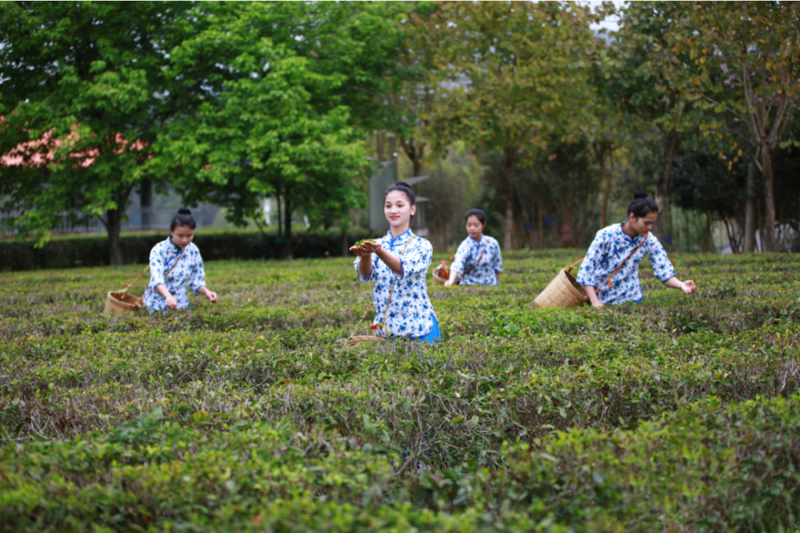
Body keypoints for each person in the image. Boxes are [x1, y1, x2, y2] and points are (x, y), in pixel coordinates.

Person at [350, 181, 440, 343]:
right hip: (385, 331)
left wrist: (379, 251)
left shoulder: (422, 245)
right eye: (388, 206)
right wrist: (365, 254)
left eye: (400, 205)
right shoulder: (376, 243)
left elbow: (402, 268)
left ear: (412, 209)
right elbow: (365, 274)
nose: (393, 210)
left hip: (419, 329)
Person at [576, 191, 696, 307]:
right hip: (603, 300)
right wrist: (595, 302)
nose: (650, 227)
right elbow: (587, 271)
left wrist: (681, 284)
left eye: (652, 224)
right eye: (646, 223)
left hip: (632, 301)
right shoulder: (606, 235)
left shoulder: (649, 240)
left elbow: (664, 271)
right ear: (632, 217)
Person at [143, 208, 218, 312]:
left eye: (189, 235)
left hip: (181, 306)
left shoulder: (193, 250)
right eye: (180, 235)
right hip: (156, 306)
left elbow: (196, 281)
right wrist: (168, 297)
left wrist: (207, 292)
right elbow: (157, 279)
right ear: (171, 232)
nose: (184, 240)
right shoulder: (159, 250)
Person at [445, 208, 503, 286]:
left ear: (483, 224)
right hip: (468, 284)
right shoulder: (465, 245)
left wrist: (497, 284)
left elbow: (497, 266)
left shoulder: (492, 243)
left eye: (476, 225)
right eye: (469, 225)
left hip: (490, 284)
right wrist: (451, 280)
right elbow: (457, 263)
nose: (472, 228)